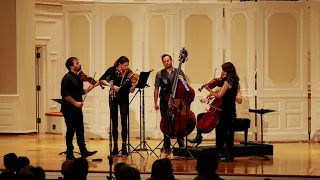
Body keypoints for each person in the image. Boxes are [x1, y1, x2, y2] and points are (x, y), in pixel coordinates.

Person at [190, 62, 241, 162]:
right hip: (231, 109)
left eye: (224, 70)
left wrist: (209, 89)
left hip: (225, 109)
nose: (222, 72)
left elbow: (220, 95)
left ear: (228, 71)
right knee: (228, 133)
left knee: (222, 131)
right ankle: (228, 155)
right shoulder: (235, 81)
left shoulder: (228, 81)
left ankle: (223, 153)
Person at [61, 57, 99, 160]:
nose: (79, 64)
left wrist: (94, 86)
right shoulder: (67, 78)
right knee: (70, 131)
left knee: (80, 130)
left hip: (77, 108)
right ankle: (69, 153)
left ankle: (83, 151)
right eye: (77, 63)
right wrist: (75, 103)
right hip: (69, 108)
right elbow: (64, 94)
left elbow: (82, 92)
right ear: (71, 66)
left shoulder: (78, 77)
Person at [99, 56, 137, 156]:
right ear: (119, 64)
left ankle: (124, 146)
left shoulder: (129, 72)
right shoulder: (112, 70)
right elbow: (101, 80)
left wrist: (134, 84)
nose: (126, 67)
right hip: (113, 97)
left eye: (127, 65)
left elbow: (131, 90)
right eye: (125, 65)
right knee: (114, 121)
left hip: (124, 98)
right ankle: (115, 145)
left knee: (124, 122)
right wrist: (112, 86)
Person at [154, 54, 188, 152]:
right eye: (164, 61)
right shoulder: (159, 74)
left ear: (171, 60)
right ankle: (166, 144)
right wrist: (155, 102)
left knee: (179, 121)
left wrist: (182, 80)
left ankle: (181, 142)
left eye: (168, 60)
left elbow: (186, 87)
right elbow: (156, 89)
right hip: (164, 100)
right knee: (166, 122)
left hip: (178, 100)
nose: (166, 62)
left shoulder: (179, 71)